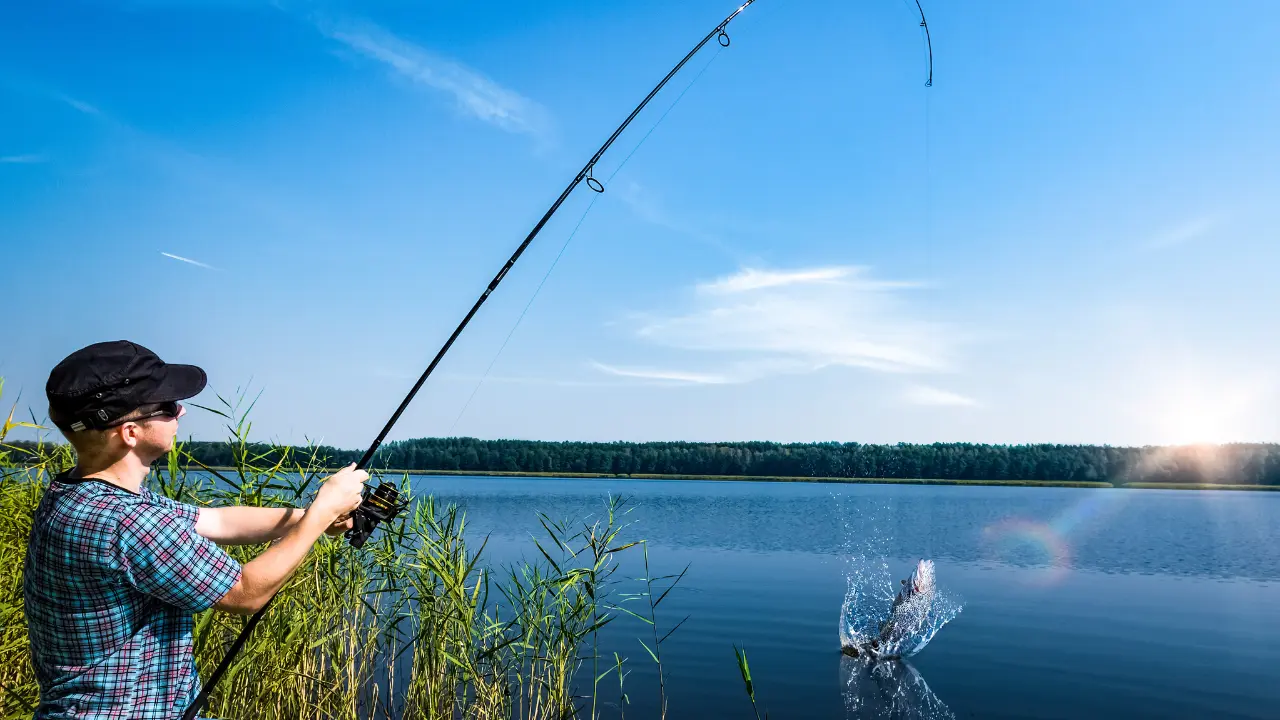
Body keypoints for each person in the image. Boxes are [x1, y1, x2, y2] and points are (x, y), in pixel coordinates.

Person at [24, 340, 367, 720]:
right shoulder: (131, 522)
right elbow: (244, 592)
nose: (181, 411)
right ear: (131, 432)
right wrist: (322, 512)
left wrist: (311, 516)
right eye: (168, 407)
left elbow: (216, 520)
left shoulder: (75, 494)